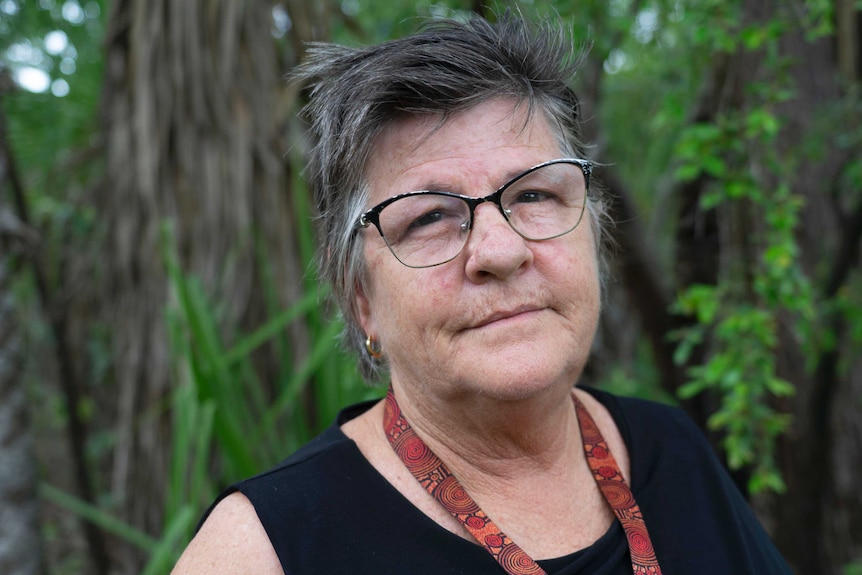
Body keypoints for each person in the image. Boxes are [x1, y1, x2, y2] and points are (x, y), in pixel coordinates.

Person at [172, 12, 792, 575]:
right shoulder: (263, 552)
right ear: (363, 300)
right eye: (429, 217)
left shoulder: (672, 452)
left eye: (534, 195)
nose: (500, 251)